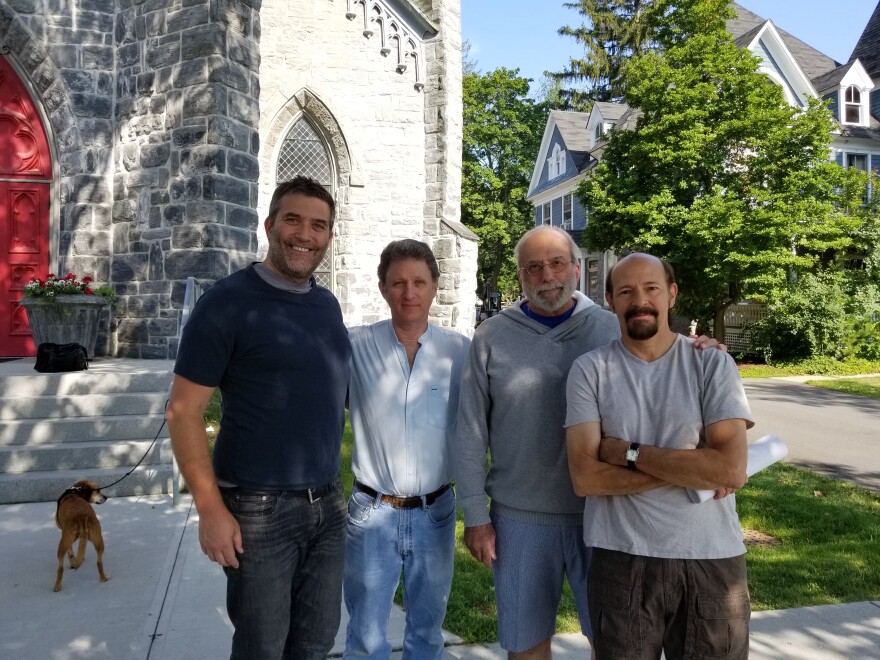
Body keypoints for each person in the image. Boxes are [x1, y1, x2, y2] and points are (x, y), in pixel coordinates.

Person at [454, 226, 721, 659]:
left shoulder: (609, 327)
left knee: (616, 643)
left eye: (557, 263)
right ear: (520, 276)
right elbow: (469, 429)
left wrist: (701, 349)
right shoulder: (492, 337)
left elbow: (664, 356)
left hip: (608, 516)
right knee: (525, 644)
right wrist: (475, 515)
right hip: (521, 519)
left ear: (577, 268)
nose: (547, 276)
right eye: (533, 267)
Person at [167, 176, 351, 660]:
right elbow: (183, 411)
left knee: (314, 644)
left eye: (318, 225)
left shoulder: (326, 305)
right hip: (258, 511)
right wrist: (209, 509)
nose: (305, 235)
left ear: (330, 236)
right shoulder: (227, 303)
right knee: (262, 649)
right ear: (269, 225)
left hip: (327, 505)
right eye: (293, 220)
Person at [565, 252, 753, 660]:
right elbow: (586, 478)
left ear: (671, 294)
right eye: (627, 291)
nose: (640, 300)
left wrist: (626, 453)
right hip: (621, 559)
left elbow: (730, 469)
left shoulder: (712, 363)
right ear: (610, 299)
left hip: (711, 559)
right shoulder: (589, 371)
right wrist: (693, 468)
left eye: (651, 288)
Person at [343, 239, 470, 659]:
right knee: (366, 636)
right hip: (372, 511)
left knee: (427, 634)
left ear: (434, 286)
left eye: (419, 282)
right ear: (382, 288)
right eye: (398, 283)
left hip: (435, 512)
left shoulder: (460, 352)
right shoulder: (355, 345)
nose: (409, 293)